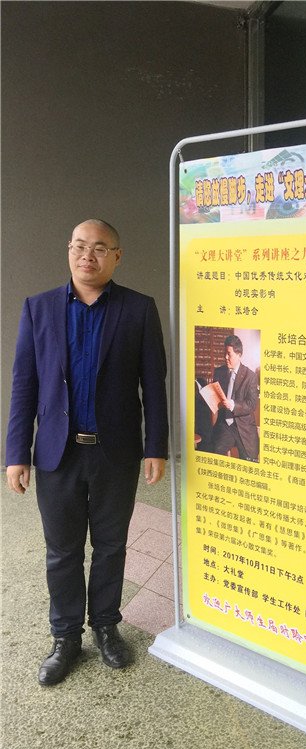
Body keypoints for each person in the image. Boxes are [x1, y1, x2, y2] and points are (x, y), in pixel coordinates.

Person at [5, 219, 168, 686]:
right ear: (69, 250)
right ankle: (65, 638)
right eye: (79, 246)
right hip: (58, 453)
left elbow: (153, 383)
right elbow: (24, 384)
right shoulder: (38, 308)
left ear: (117, 256)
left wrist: (156, 445)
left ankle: (106, 627)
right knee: (62, 551)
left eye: (99, 248)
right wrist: (16, 452)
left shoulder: (138, 309)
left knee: (112, 546)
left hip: (115, 452)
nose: (87, 256)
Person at [211, 334, 259, 461]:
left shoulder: (251, 376)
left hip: (244, 427)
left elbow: (252, 404)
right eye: (225, 353)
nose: (226, 357)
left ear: (239, 354)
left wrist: (233, 405)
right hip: (225, 426)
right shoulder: (219, 372)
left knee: (250, 460)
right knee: (215, 453)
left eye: (229, 354)